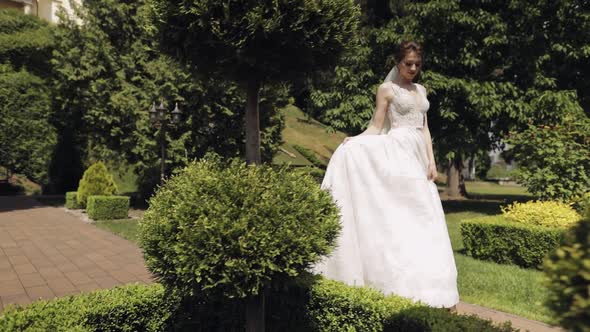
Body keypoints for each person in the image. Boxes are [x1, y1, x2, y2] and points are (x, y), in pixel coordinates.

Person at [313, 41, 459, 309]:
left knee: (424, 215)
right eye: (408, 64)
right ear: (397, 63)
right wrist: (355, 140)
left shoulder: (421, 90)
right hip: (398, 150)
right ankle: (396, 281)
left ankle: (429, 283)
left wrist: (432, 161)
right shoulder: (386, 89)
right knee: (402, 213)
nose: (413, 68)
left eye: (417, 64)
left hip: (418, 155)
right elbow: (376, 125)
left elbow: (425, 129)